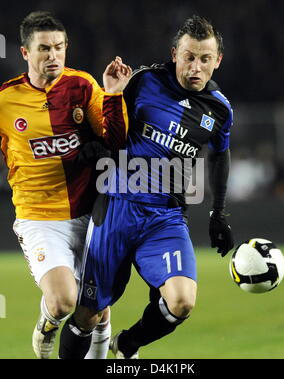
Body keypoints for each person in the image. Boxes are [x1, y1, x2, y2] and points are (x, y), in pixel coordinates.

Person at [58, 15, 234, 359]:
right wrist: (92, 143)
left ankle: (126, 345)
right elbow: (107, 123)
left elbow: (219, 156)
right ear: (174, 54)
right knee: (87, 314)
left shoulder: (220, 109)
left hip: (165, 217)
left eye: (204, 59)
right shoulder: (143, 82)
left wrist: (219, 212)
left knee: (182, 301)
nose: (195, 67)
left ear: (217, 61)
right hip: (116, 207)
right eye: (188, 57)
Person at [0, 11, 132, 359]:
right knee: (63, 303)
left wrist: (115, 95)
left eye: (59, 47)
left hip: (91, 212)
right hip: (40, 217)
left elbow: (116, 141)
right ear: (26, 53)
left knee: (98, 310)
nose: (53, 55)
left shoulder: (83, 85)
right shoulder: (6, 100)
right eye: (44, 48)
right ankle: (46, 323)